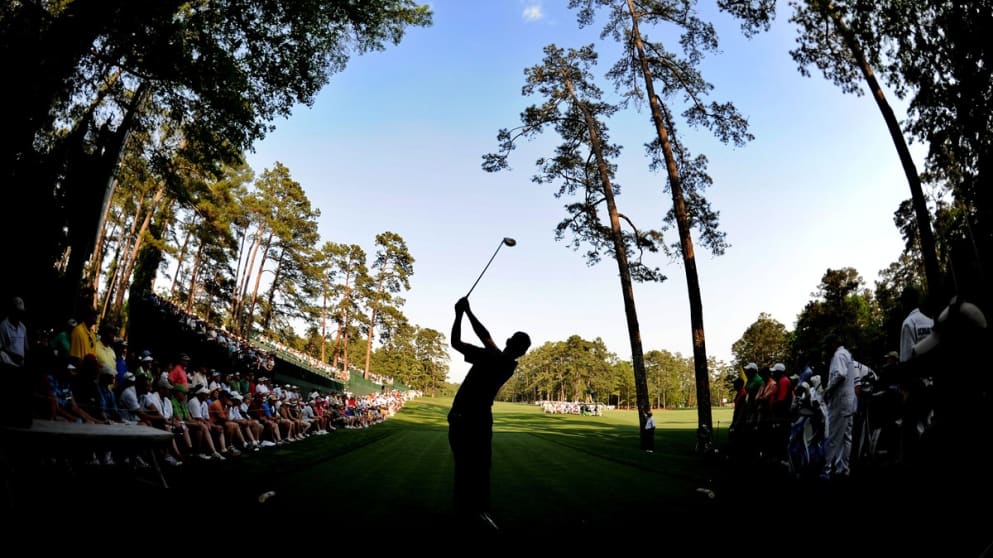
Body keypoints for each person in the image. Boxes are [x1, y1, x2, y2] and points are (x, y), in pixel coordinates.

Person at [447, 296, 531, 533]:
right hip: (467, 417)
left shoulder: (505, 363)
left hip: (475, 417)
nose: (517, 348)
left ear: (516, 349)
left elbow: (483, 337)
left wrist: (465, 312)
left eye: (519, 346)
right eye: (518, 345)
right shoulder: (489, 356)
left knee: (478, 466)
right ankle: (468, 513)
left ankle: (476, 512)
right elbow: (456, 342)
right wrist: (460, 315)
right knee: (468, 466)